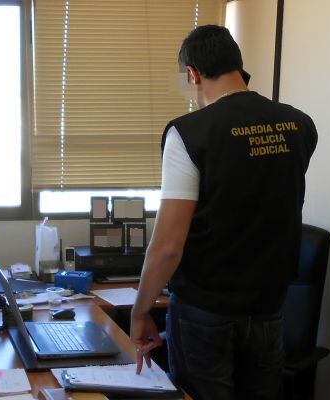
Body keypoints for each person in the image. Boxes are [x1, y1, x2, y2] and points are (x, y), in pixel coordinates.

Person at [129, 25, 318, 400]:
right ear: (237, 65)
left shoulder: (189, 133)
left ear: (194, 74)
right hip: (269, 308)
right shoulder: (300, 125)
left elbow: (168, 246)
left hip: (205, 311)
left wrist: (139, 311)